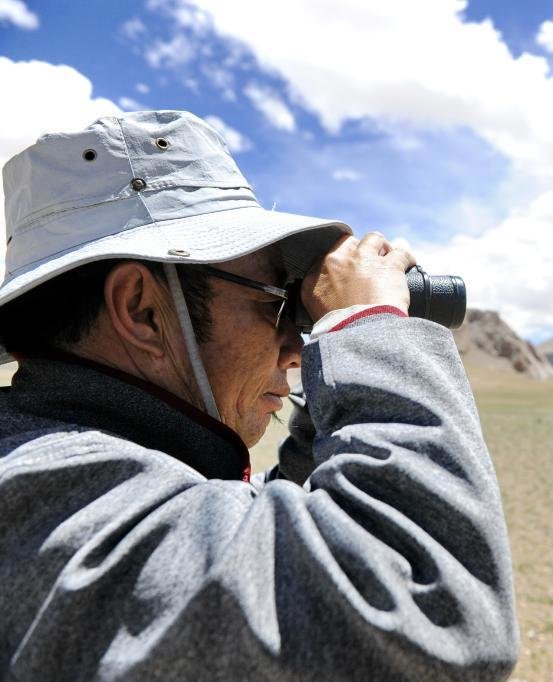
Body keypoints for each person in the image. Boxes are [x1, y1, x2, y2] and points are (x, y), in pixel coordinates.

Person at [0, 110, 518, 680]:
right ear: (142, 311)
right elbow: (429, 610)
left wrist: (333, 398)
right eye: (276, 305)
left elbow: (236, 542)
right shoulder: (46, 491)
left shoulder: (58, 473)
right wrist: (367, 328)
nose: (296, 351)